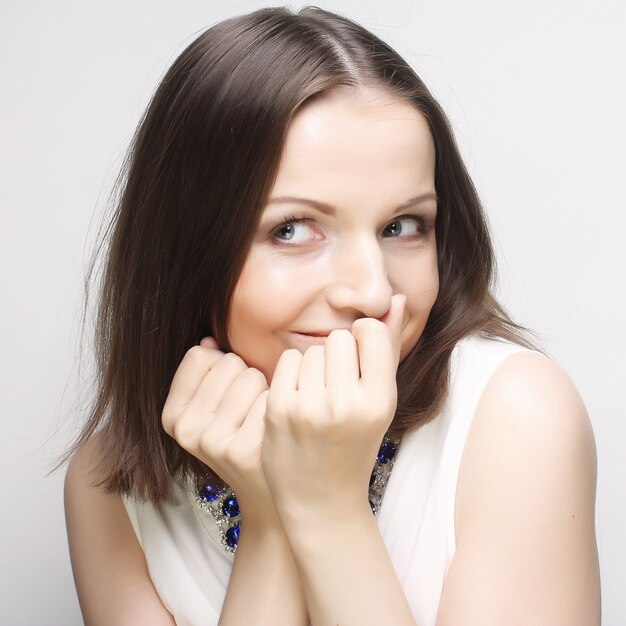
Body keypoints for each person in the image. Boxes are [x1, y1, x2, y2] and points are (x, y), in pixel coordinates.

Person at [63, 6, 600, 625]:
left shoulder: (515, 413)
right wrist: (268, 522)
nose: (372, 292)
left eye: (402, 226)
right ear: (187, 247)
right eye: (293, 230)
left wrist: (327, 510)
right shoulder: (110, 485)